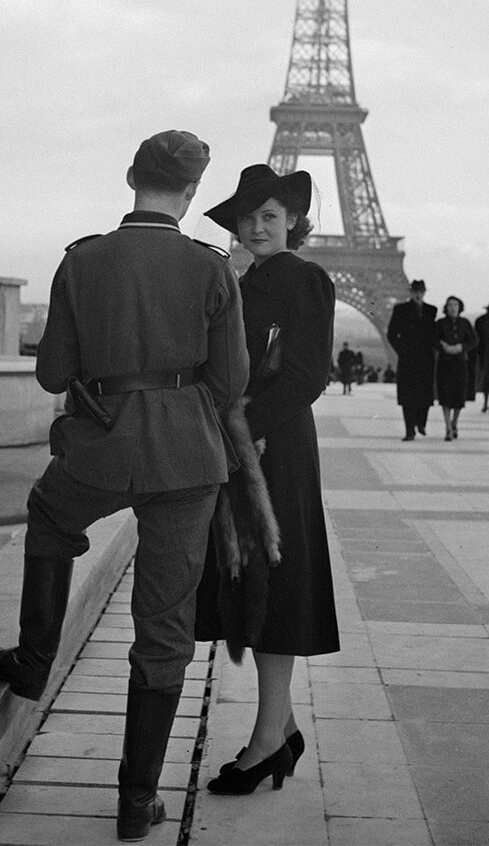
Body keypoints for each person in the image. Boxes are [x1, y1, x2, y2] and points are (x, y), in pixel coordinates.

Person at [0, 130, 248, 842]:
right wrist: (179, 405)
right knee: (164, 625)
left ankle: (34, 662)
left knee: (50, 515)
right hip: (188, 457)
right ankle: (135, 801)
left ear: (131, 177)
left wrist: (111, 397)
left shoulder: (82, 259)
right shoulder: (210, 267)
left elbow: (52, 372)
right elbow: (233, 380)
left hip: (102, 448)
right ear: (190, 193)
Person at [194, 163, 338, 796]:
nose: (257, 226)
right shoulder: (234, 279)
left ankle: (266, 740)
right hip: (234, 446)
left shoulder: (306, 279)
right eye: (248, 218)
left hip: (271, 447)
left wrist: (246, 423)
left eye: (270, 217)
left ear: (293, 224)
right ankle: (279, 730)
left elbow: (308, 375)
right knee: (251, 586)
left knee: (272, 592)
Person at [388, 280, 438, 439]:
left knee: (425, 395)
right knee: (407, 396)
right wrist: (402, 351)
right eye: (416, 291)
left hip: (425, 359)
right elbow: (391, 334)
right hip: (408, 359)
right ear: (411, 292)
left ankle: (421, 422)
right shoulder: (400, 309)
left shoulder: (432, 311)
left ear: (424, 293)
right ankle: (410, 430)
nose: (418, 294)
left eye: (421, 291)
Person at [434, 296, 478, 440]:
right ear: (446, 307)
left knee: (459, 395)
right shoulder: (440, 323)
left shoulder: (465, 323)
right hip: (445, 363)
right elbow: (433, 339)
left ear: (460, 307)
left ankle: (454, 422)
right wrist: (444, 347)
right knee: (446, 395)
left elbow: (474, 340)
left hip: (460, 363)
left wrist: (461, 347)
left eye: (455, 305)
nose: (453, 308)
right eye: (450, 305)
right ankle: (448, 426)